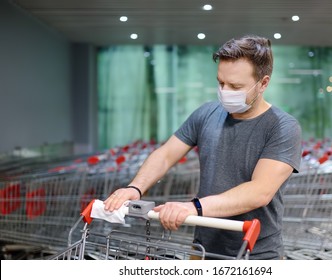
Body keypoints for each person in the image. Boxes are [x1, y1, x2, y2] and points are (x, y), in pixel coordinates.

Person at [104, 34, 302, 260]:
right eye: (221, 83)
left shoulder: (283, 127)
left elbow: (259, 192)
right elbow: (166, 155)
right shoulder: (207, 113)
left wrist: (193, 208)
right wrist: (135, 188)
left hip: (255, 252)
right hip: (203, 248)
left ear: (263, 83)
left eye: (235, 86)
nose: (225, 91)